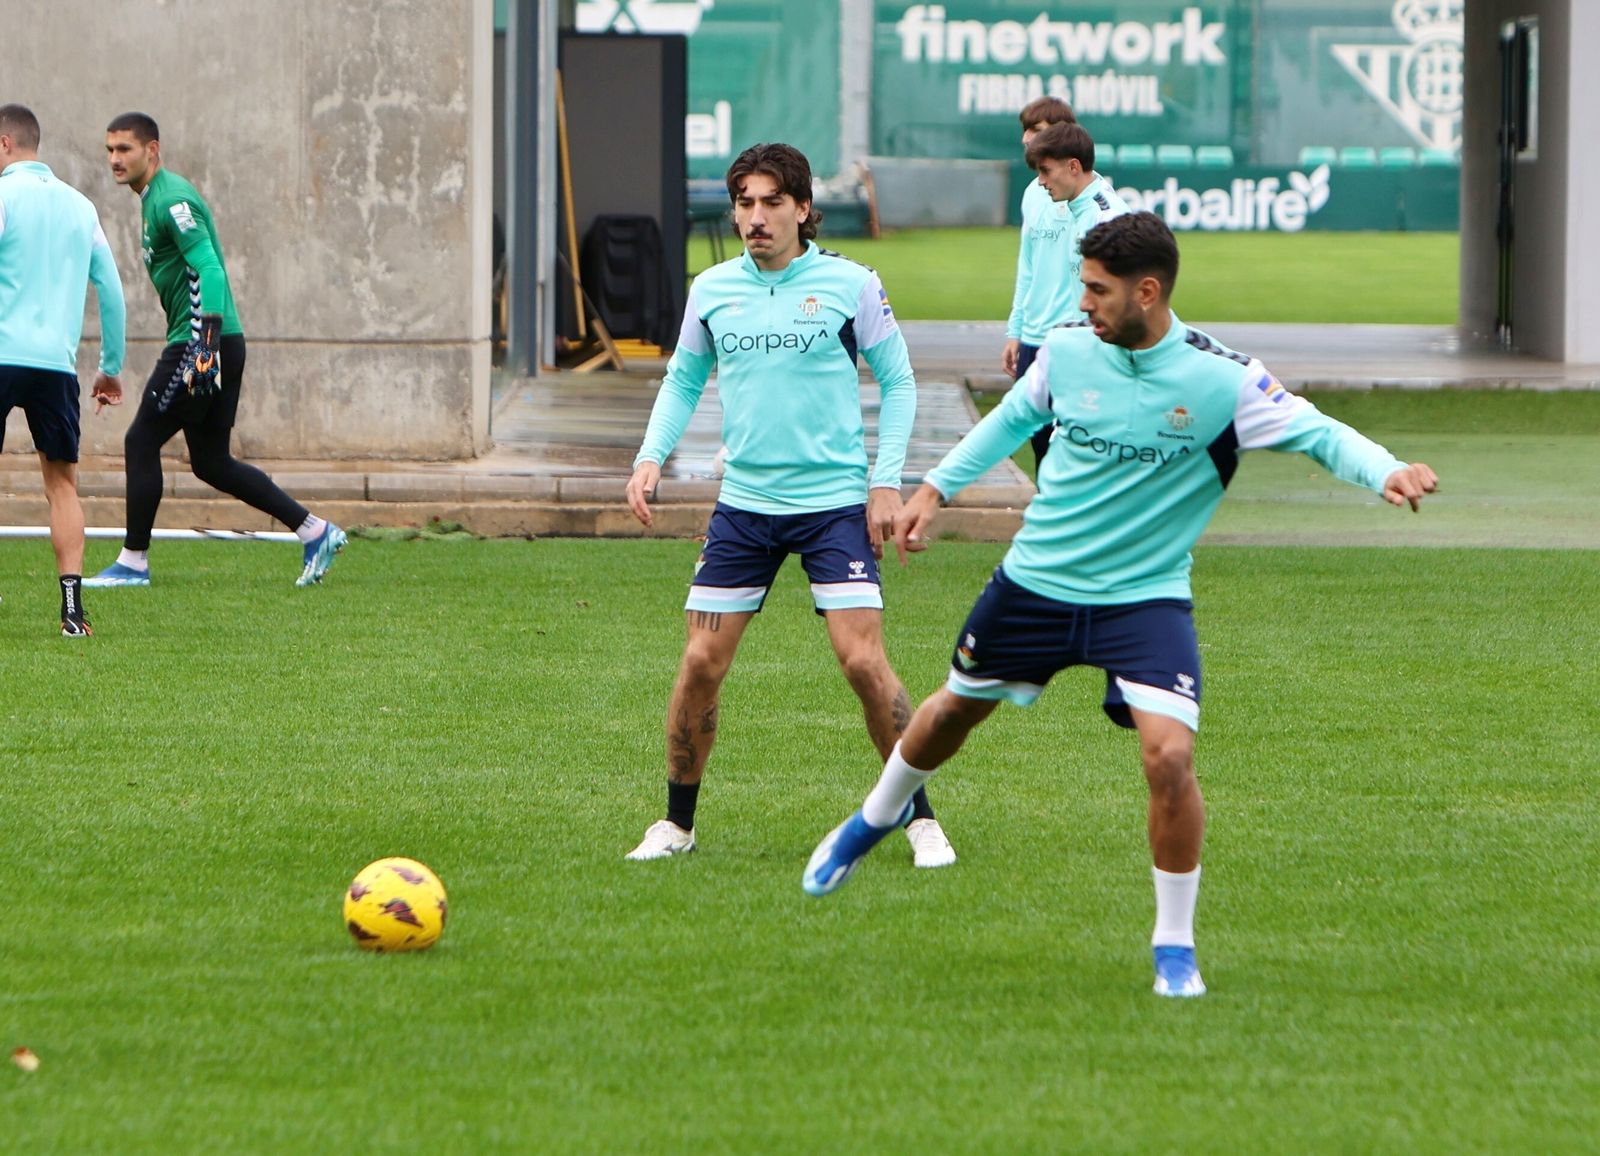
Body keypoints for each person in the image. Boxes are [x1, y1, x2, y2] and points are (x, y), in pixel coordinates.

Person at [802, 213, 1439, 998]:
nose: (1084, 303)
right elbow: (1009, 422)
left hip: (1144, 601)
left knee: (1169, 759)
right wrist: (932, 489)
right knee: (952, 713)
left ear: (1148, 291)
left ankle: (1175, 944)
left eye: (1098, 290)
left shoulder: (1223, 379)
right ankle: (871, 821)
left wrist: (1385, 470)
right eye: (1082, 286)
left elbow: (1318, 432)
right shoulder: (1067, 353)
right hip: (1036, 583)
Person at [623, 142, 955, 869]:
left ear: (804, 208)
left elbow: (899, 383)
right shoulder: (711, 290)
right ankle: (677, 823)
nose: (756, 216)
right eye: (744, 202)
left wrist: (884, 480)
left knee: (863, 663)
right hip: (744, 506)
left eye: (773, 202)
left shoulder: (852, 284)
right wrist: (651, 457)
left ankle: (918, 817)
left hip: (834, 504)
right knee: (701, 662)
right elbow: (683, 381)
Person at [85, 112, 344, 590]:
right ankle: (315, 530)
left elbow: (211, 269)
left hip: (201, 340)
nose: (115, 159)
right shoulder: (151, 201)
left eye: (125, 149)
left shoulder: (172, 199)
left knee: (140, 441)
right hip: (218, 340)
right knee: (210, 462)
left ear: (152, 150)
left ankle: (133, 562)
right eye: (109, 150)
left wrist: (204, 349)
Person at [0, 104, 126, 636]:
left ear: (4, 145)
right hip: (55, 365)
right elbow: (113, 293)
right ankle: (72, 611)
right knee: (62, 486)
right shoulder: (81, 206)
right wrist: (110, 368)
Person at [1010, 120, 1130, 476]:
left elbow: (1124, 312)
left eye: (1046, 172)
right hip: (1074, 353)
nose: (1041, 181)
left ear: (1073, 166)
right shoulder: (1081, 210)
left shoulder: (1106, 219)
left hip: (1095, 365)